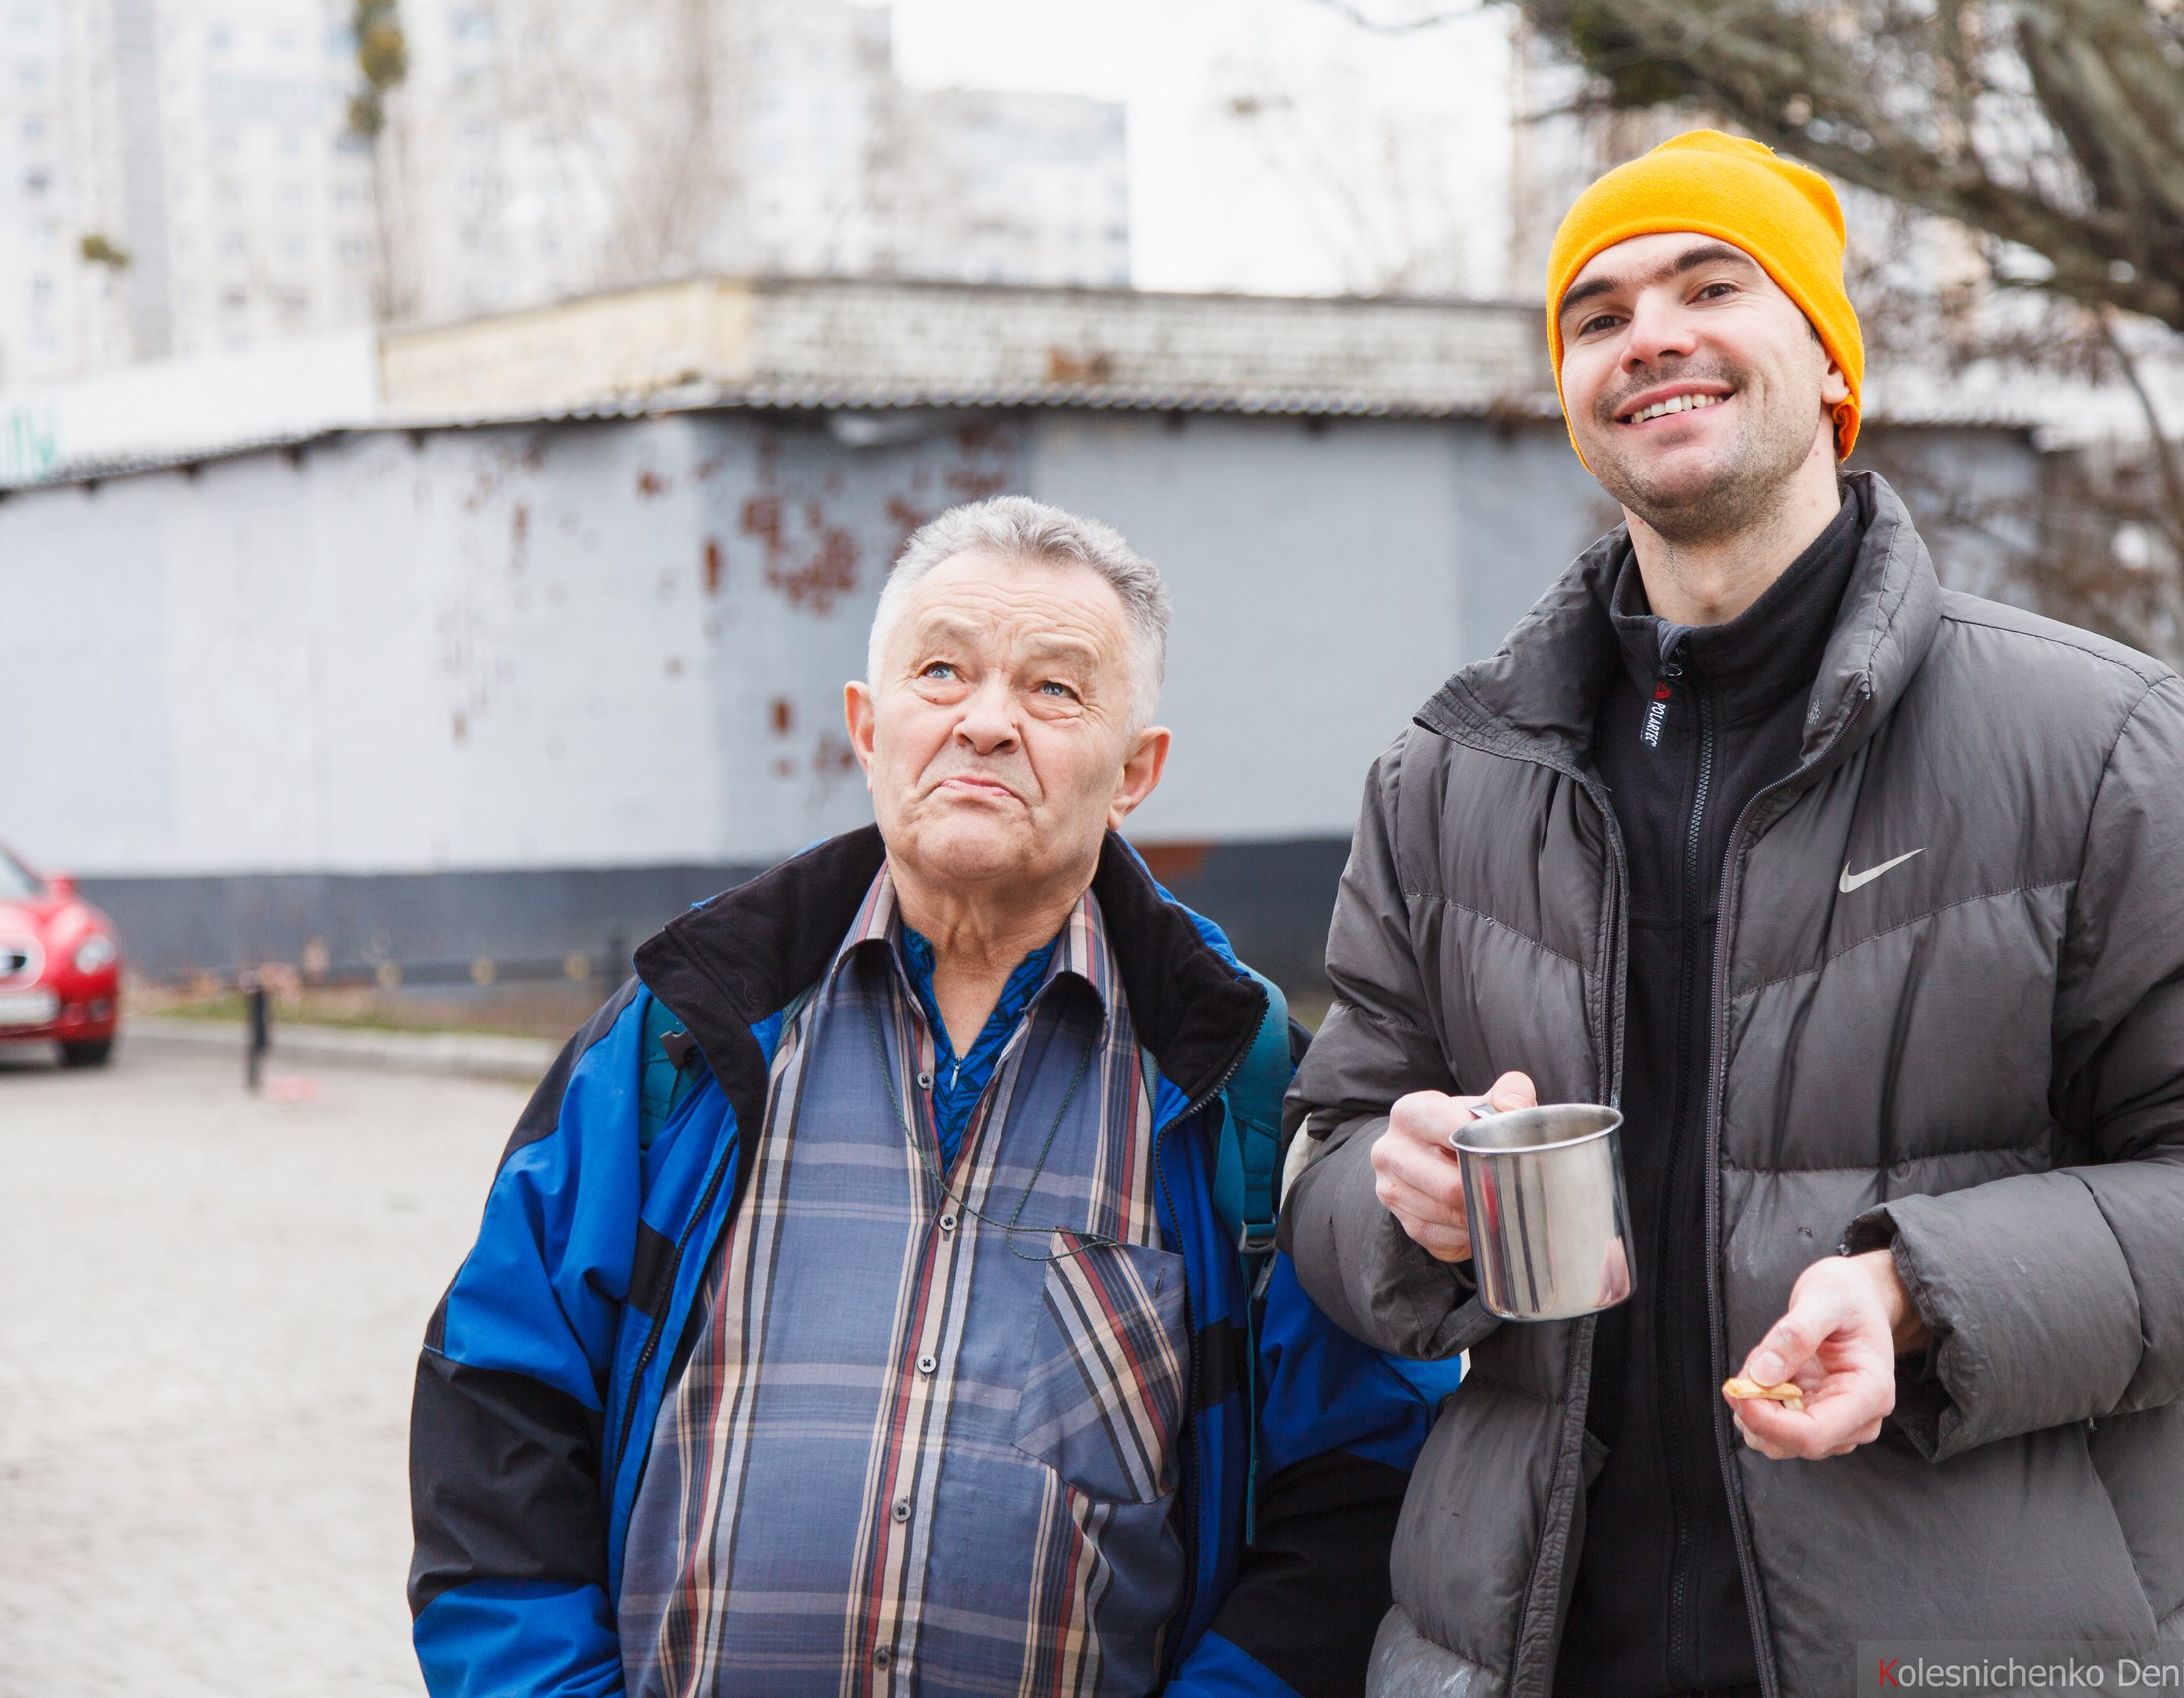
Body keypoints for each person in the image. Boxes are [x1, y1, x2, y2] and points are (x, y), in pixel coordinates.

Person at [1276, 132, 2184, 1698]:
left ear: (1825, 357)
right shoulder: (1447, 776)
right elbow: (1324, 1163)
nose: (1648, 332)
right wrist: (1399, 1197)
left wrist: (1920, 1290)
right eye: (1595, 315)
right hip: (1520, 1654)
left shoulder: (2103, 742)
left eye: (1709, 284)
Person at [408, 495, 1455, 1698]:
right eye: (941, 673)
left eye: (1055, 691)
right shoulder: (684, 1036)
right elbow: (499, 1396)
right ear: (868, 728)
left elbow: (1355, 1487)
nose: (987, 724)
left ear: (1135, 773)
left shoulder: (1241, 1081)